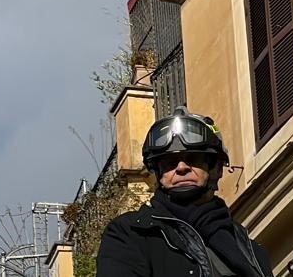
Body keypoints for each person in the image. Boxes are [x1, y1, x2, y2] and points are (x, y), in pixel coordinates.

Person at [97, 107, 270, 277]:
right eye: (169, 163)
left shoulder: (250, 249)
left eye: (193, 159)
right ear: (158, 173)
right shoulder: (131, 234)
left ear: (217, 168)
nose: (181, 168)